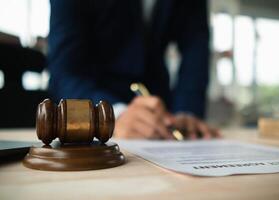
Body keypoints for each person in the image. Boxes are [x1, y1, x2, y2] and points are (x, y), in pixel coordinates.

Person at [48, 0, 220, 139]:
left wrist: (186, 111)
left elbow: (195, 50)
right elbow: (64, 72)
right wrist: (114, 115)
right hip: (94, 103)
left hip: (161, 116)